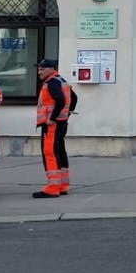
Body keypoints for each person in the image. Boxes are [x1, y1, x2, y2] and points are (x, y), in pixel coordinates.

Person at [33, 58, 76, 198]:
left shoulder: (52, 83)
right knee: (60, 152)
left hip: (52, 125)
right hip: (61, 123)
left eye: (42, 69)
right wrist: (66, 114)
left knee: (50, 153)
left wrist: (52, 118)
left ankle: (53, 187)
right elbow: (74, 98)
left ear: (51, 69)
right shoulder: (61, 81)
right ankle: (63, 185)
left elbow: (61, 100)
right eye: (39, 68)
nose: (39, 71)